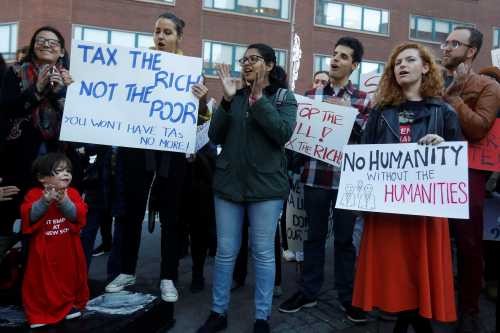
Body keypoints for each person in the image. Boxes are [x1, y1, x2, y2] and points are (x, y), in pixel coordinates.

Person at [352, 42, 461, 333]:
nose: (401, 66)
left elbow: (457, 162)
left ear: (425, 67)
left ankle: (409, 323)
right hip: (387, 212)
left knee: (418, 270)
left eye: (410, 60)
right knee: (397, 275)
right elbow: (365, 155)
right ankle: (413, 323)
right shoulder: (380, 112)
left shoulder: (445, 112)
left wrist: (443, 146)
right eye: (397, 63)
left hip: (426, 214)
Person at [104, 12, 209, 302]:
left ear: (179, 37)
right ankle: (126, 270)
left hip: (172, 154)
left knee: (172, 216)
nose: (161, 37)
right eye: (157, 31)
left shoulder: (190, 72)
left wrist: (200, 100)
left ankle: (168, 277)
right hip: (137, 151)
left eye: (167, 32)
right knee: (131, 212)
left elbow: (199, 120)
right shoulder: (137, 65)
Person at [197, 43, 297, 333]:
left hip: (266, 189)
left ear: (268, 64)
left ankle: (261, 317)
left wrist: (257, 99)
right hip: (229, 185)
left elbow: (281, 134)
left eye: (254, 59)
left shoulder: (282, 97)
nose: (247, 64)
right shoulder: (234, 96)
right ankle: (218, 312)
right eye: (244, 59)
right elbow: (214, 136)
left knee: (263, 253)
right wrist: (226, 102)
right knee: (226, 251)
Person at [279, 36, 370, 323]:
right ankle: (309, 292)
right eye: (334, 54)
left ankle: (348, 297)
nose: (335, 60)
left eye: (343, 56)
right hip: (316, 179)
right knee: (313, 237)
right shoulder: (311, 96)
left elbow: (367, 141)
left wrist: (348, 116)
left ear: (354, 65)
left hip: (347, 183)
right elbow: (298, 138)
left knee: (344, 242)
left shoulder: (364, 100)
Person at [441, 26, 500, 333]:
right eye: (446, 42)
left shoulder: (487, 86)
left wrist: (454, 97)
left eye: (455, 43)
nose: (446, 47)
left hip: (468, 173)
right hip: (429, 171)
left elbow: (479, 129)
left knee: (468, 243)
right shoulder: (428, 79)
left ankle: (469, 309)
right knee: (430, 236)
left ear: (472, 51)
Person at [0, 26, 75, 237]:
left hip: (58, 158)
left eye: (53, 42)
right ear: (33, 46)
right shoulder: (15, 73)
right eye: (41, 41)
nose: (46, 45)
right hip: (18, 159)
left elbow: (77, 121)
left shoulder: (71, 79)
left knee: (52, 225)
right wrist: (37, 90)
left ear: (61, 51)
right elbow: (7, 109)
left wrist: (62, 92)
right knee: (16, 217)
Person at [21, 153, 88, 329]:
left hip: (67, 249)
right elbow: (30, 216)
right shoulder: (34, 194)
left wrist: (63, 201)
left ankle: (67, 305)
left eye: (68, 170)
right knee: (39, 282)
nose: (66, 174)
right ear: (42, 178)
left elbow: (77, 216)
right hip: (43, 251)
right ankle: (39, 311)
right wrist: (45, 201)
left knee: (68, 278)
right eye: (59, 171)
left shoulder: (72, 193)